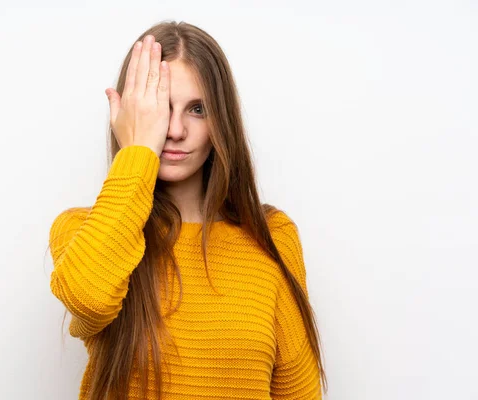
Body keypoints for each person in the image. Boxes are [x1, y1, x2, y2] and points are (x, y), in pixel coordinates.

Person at [48, 20, 326, 400]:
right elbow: (88, 298)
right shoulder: (82, 231)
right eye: (160, 110)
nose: (175, 130)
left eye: (197, 109)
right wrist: (138, 150)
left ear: (221, 121)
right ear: (132, 116)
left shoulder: (272, 237)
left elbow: (300, 393)